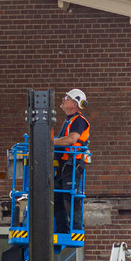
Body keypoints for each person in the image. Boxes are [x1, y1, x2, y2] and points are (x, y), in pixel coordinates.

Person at [51, 88, 90, 233]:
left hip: (72, 164)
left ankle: (76, 229)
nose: (63, 99)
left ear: (75, 104)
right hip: (64, 164)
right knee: (56, 195)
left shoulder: (78, 121)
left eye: (67, 98)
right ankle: (63, 228)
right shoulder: (69, 120)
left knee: (70, 196)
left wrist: (51, 142)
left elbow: (71, 139)